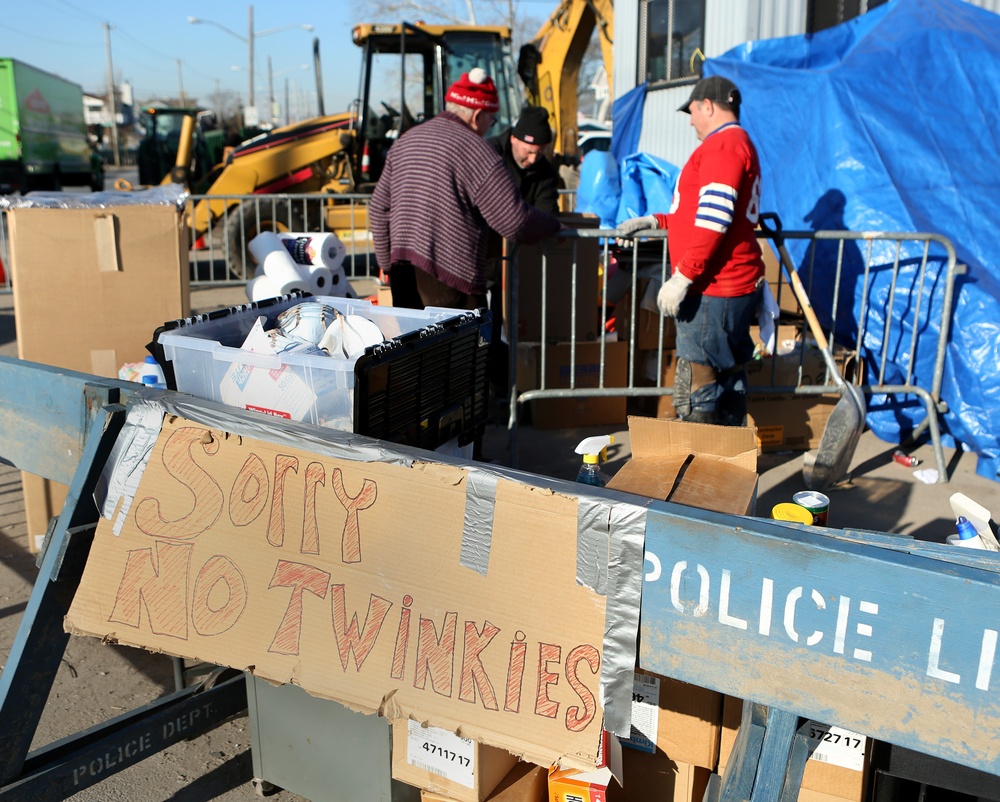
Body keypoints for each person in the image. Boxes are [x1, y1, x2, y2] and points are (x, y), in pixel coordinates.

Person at [617, 75, 765, 426]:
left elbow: (714, 219)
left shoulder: (723, 146)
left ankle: (707, 471)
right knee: (726, 381)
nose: (690, 120)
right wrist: (656, 221)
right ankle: (727, 464)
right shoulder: (733, 144)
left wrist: (683, 277)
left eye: (693, 111)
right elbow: (699, 214)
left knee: (701, 389)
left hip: (714, 288)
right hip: (726, 285)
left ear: (708, 106)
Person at [369, 68, 561, 312]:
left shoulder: (405, 141)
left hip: (402, 272)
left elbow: (378, 208)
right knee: (462, 349)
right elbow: (513, 220)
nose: (490, 126)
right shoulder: (476, 150)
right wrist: (553, 225)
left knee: (412, 348)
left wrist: (388, 265)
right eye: (491, 119)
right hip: (451, 277)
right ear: (478, 114)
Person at [486, 105, 561, 215]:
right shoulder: (488, 154)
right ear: (513, 139)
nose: (532, 159)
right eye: (528, 152)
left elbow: (547, 214)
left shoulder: (547, 174)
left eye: (539, 153)